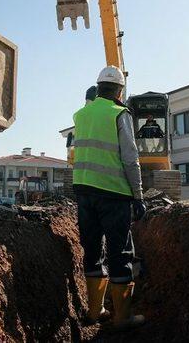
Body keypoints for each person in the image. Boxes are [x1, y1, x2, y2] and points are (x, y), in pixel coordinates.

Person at [73, 65, 146, 329]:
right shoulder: (119, 114)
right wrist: (138, 195)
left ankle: (95, 312)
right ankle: (122, 317)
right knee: (120, 253)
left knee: (92, 251)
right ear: (119, 90)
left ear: (98, 86)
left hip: (83, 191)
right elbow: (130, 158)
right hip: (114, 194)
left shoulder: (81, 115)